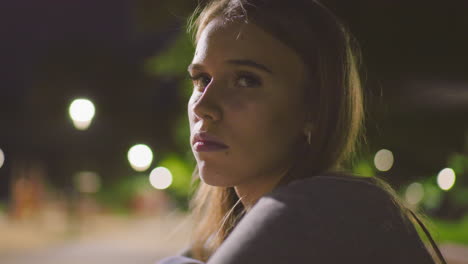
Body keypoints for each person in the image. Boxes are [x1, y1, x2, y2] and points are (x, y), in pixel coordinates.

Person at [158, 0, 447, 263]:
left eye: (246, 80)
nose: (204, 106)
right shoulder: (228, 236)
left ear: (314, 109)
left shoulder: (328, 206)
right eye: (201, 79)